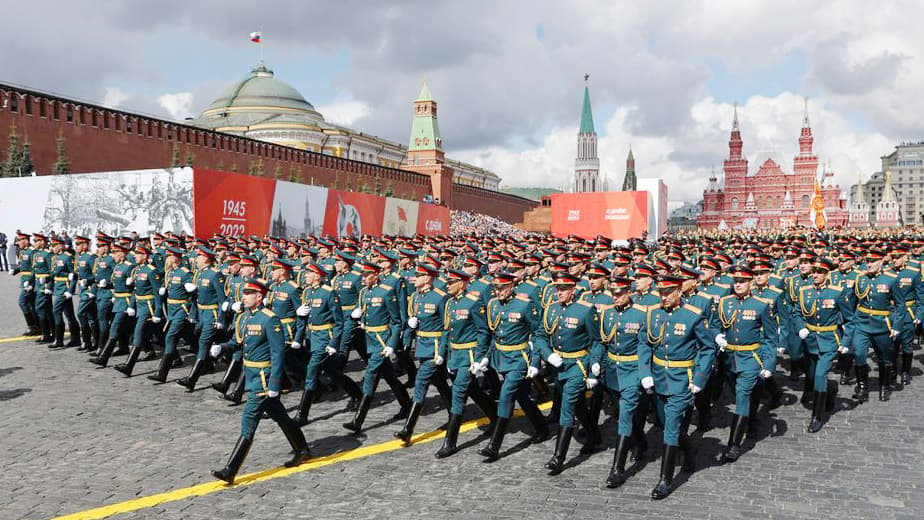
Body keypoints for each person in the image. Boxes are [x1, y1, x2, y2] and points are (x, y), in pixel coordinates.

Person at [209, 277, 310, 485]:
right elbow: (238, 342)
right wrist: (222, 348)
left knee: (248, 420)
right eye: (244, 294)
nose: (244, 297)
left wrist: (275, 384)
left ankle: (231, 469)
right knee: (281, 416)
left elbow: (278, 354)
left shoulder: (269, 319)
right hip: (251, 376)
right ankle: (302, 449)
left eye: (248, 294)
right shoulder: (245, 318)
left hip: (263, 380)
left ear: (259, 296)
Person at [639, 274, 716, 500]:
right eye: (661, 293)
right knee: (667, 424)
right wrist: (644, 372)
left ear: (679, 291)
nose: (663, 297)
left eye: (668, 292)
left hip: (682, 378)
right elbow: (644, 342)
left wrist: (700, 378)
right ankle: (690, 450)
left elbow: (707, 348)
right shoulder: (653, 313)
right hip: (658, 377)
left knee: (670, 425)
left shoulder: (692, 316)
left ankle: (665, 480)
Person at [536, 271, 604, 475]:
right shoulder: (551, 309)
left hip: (577, 365)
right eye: (557, 288)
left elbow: (596, 341)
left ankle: (559, 457)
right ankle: (594, 435)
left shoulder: (585, 310)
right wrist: (548, 355)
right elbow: (540, 335)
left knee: (567, 407)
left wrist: (593, 367)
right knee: (579, 406)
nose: (559, 292)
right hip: (557, 366)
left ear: (573, 290)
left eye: (564, 289)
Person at [478, 271, 550, 462]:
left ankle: (494, 445)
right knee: (522, 396)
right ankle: (542, 428)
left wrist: (535, 362)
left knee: (506, 395)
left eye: (501, 287)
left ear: (511, 287)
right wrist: (486, 357)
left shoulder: (525, 305)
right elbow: (495, 334)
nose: (498, 291)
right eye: (495, 287)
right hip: (501, 357)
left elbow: (538, 334)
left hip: (520, 358)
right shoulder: (493, 305)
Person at [710, 266, 777, 461]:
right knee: (744, 395)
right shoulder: (725, 303)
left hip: (750, 358)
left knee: (742, 396)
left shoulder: (761, 305)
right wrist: (717, 336)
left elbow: (771, 338)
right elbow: (715, 325)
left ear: (751, 283)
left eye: (743, 281)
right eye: (736, 281)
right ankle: (753, 419)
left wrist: (769, 364)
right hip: (729, 358)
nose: (738, 284)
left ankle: (733, 444)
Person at [342, 261, 412, 433]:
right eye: (363, 275)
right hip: (369, 338)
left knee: (370, 374)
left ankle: (358, 420)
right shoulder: (364, 292)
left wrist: (391, 344)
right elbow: (363, 313)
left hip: (381, 340)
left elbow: (396, 322)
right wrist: (355, 316)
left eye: (367, 275)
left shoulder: (387, 292)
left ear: (376, 275)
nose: (363, 278)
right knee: (388, 375)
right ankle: (407, 404)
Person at [435, 268, 497, 458]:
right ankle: (495, 417)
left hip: (468, 356)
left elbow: (484, 331)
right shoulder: (449, 304)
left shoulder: (473, 302)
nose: (447, 285)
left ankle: (450, 442)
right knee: (473, 391)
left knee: (458, 394)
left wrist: (478, 357)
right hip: (455, 355)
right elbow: (447, 330)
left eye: (451, 282)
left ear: (462, 284)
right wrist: (443, 353)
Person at [599, 276, 650, 488]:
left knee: (626, 414)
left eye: (619, 293)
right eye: (613, 293)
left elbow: (644, 347)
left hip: (632, 371)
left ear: (628, 292)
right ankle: (642, 442)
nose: (616, 297)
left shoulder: (641, 314)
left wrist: (644, 373)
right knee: (622, 413)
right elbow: (600, 342)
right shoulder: (607, 313)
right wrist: (595, 364)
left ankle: (617, 469)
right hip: (612, 372)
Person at [394, 261, 453, 444]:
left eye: (418, 276)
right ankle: (455, 414)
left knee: (420, 383)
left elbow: (446, 328)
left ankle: (407, 429)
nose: (414, 278)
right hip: (422, 346)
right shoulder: (415, 297)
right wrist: (406, 340)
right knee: (440, 382)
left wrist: (443, 351)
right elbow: (413, 321)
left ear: (428, 278)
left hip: (434, 348)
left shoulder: (440, 297)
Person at [791, 257, 852, 432]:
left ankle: (817, 417)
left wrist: (846, 342)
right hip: (809, 339)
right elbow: (797, 314)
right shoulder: (804, 292)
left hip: (829, 339)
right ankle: (831, 388)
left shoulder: (836, 292)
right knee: (811, 375)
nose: (815, 275)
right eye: (814, 272)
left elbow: (850, 319)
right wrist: (800, 327)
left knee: (819, 375)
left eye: (820, 272)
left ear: (826, 274)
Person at [12, 232, 40, 336]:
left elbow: (35, 268)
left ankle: (32, 326)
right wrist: (16, 270)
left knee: (22, 302)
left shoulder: (32, 251)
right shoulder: (23, 252)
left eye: (19, 241)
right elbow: (23, 266)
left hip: (30, 281)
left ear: (25, 241)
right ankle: (38, 326)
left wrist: (30, 282)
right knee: (31, 304)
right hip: (24, 281)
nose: (18, 243)